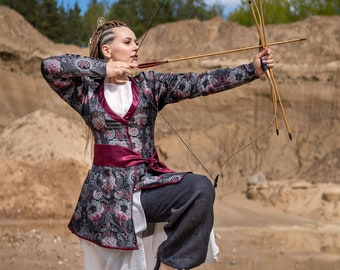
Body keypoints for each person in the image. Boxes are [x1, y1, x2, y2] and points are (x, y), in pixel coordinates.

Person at [41, 19, 274, 270]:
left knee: (200, 189)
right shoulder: (85, 91)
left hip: (145, 186)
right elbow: (50, 66)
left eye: (137, 42)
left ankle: (172, 263)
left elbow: (200, 82)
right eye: (128, 42)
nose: (135, 47)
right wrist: (103, 69)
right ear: (107, 50)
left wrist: (252, 70)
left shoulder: (149, 85)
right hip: (105, 197)